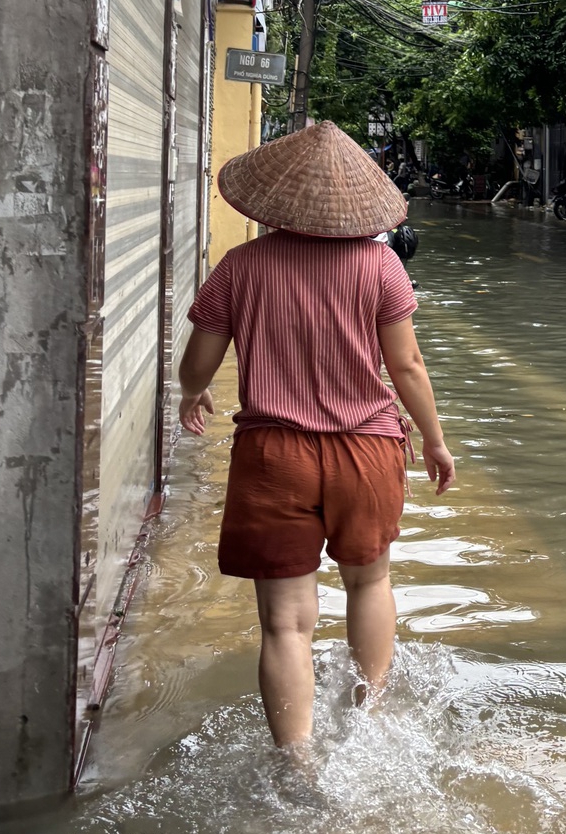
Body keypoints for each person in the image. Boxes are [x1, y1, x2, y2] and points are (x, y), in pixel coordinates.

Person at [177, 122, 456, 752]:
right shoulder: (382, 264)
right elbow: (407, 367)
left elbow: (197, 366)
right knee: (369, 582)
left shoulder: (240, 265)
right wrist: (436, 441)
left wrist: (192, 392)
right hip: (368, 450)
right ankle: (370, 721)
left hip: (274, 456)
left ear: (273, 200)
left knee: (284, 623)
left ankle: (296, 764)